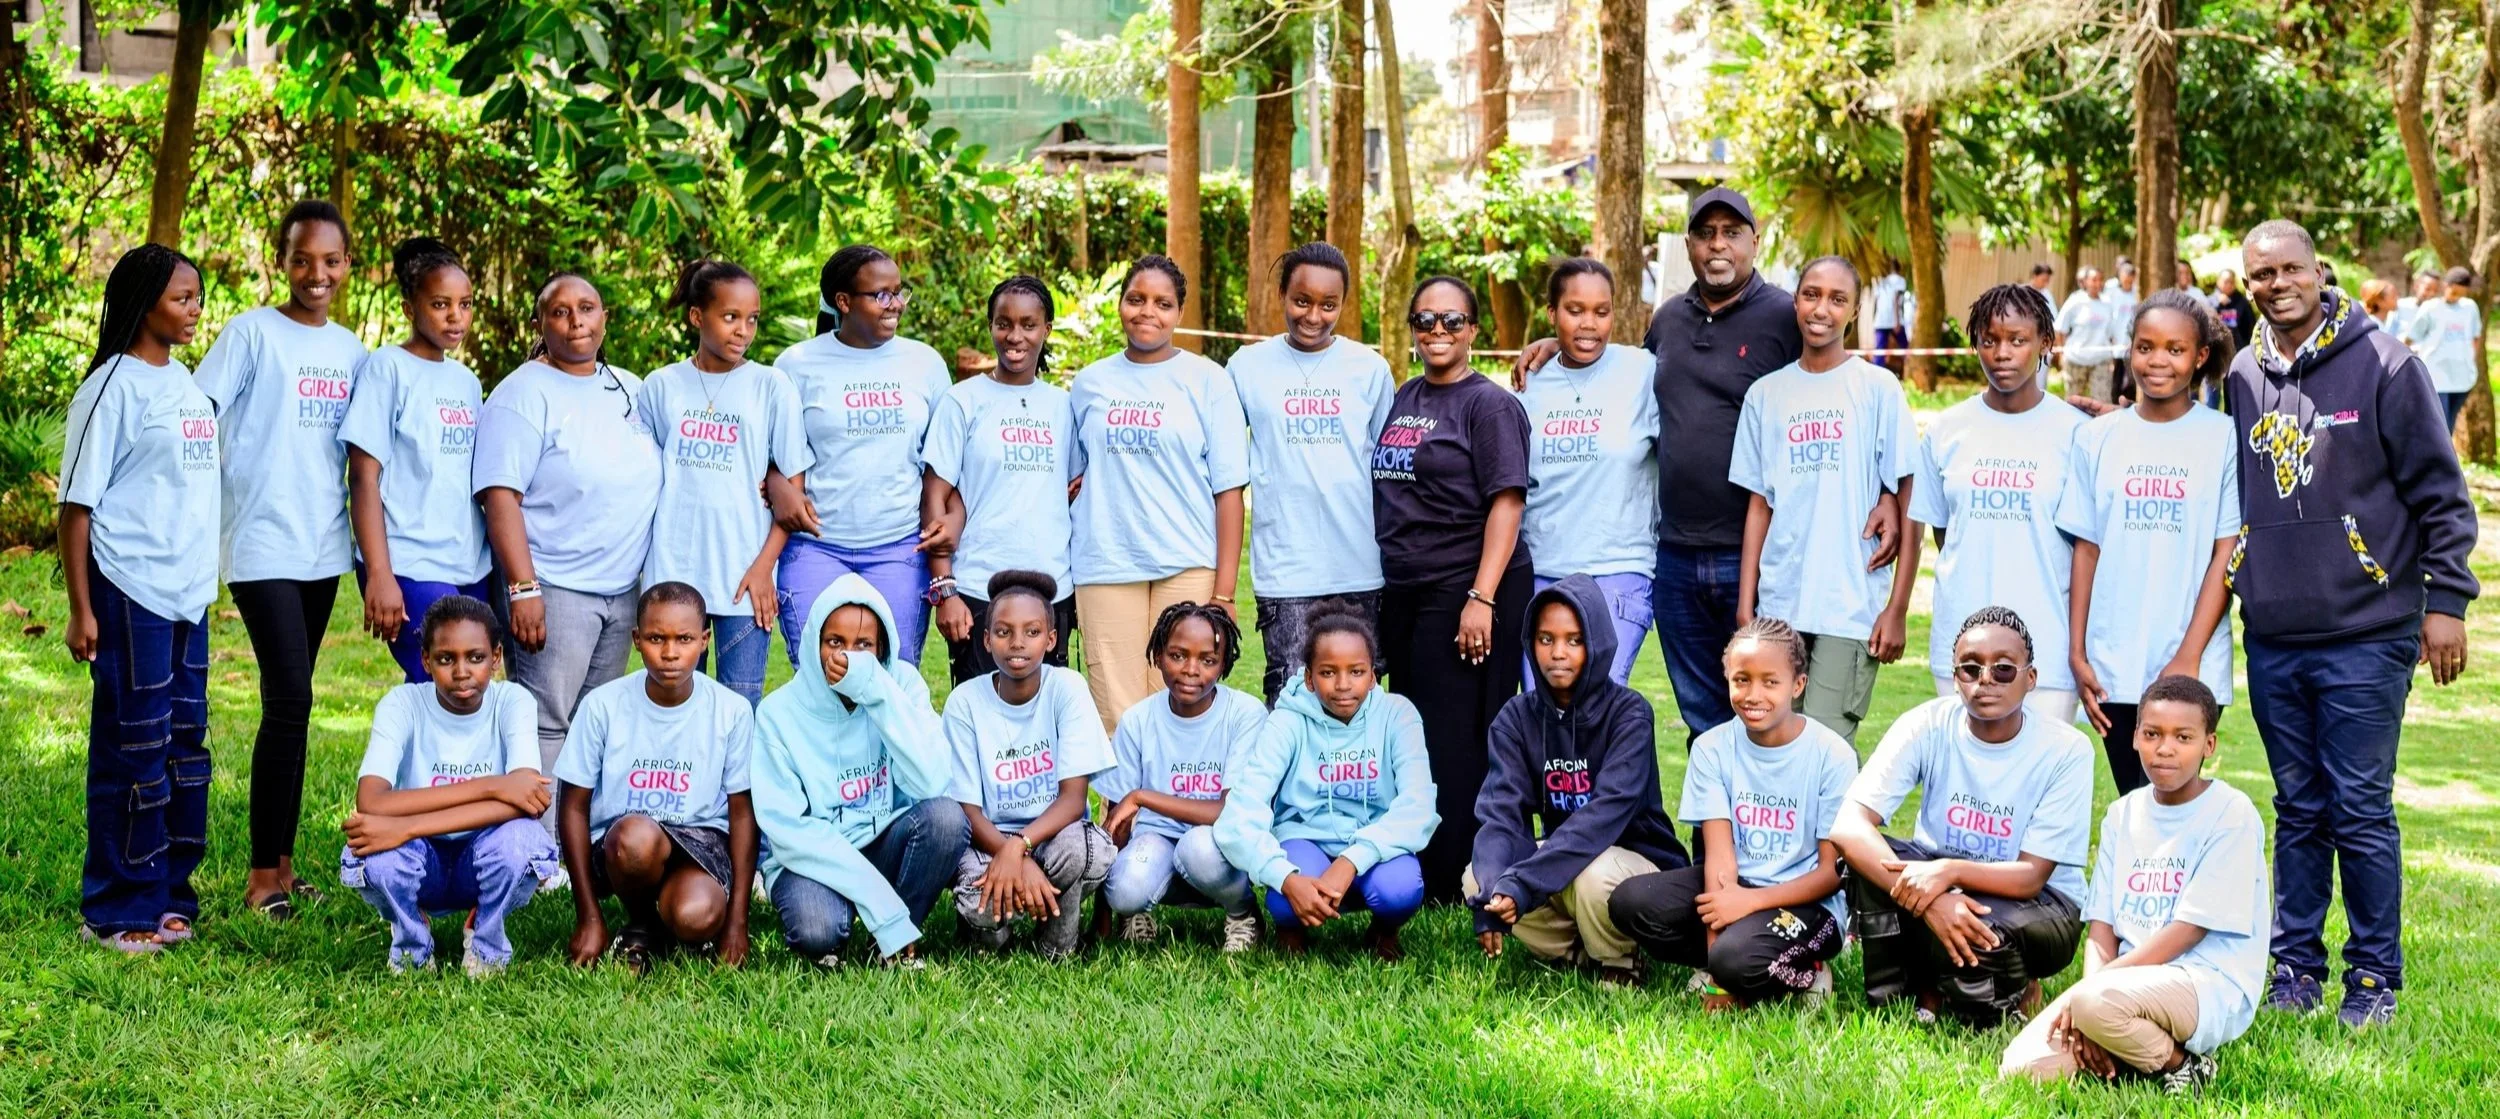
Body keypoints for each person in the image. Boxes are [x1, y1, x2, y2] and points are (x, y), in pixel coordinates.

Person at [1512, 187, 1900, 746]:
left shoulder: (1787, 317)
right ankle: (1712, 835)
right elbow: (1614, 374)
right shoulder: (1668, 320)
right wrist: (1555, 344)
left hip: (1759, 557)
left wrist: (1886, 489)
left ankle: (1771, 831)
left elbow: (1842, 394)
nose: (1719, 246)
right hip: (1673, 557)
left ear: (1754, 243)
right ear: (1689, 244)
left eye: (1732, 233)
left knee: (1766, 712)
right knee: (1704, 720)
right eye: (1706, 233)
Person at [2231, 220, 2476, 1027]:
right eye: (2260, 273)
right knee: (2298, 805)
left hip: (2369, 630)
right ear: (2248, 282)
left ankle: (2374, 979)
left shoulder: (2387, 364)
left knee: (2360, 806)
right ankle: (2295, 967)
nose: (2276, 283)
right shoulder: (2241, 373)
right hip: (2273, 631)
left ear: (2318, 269)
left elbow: (2443, 497)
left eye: (2289, 268)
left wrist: (2447, 603)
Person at [193, 199, 367, 918]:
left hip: (323, 546)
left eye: (330, 261)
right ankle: (262, 874)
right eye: (302, 259)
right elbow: (195, 418)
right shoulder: (250, 334)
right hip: (261, 541)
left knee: (293, 704)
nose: (315, 273)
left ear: (348, 265)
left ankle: (285, 867)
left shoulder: (354, 350)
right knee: (290, 697)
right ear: (281, 260)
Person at [1999, 675, 2269, 1098]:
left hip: (2205, 983)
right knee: (2023, 1068)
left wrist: (2089, 997)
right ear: (2135, 739)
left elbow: (2188, 932)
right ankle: (2126, 1040)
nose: (2165, 748)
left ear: (2208, 746)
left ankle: (2184, 1065)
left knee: (2093, 1004)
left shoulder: (2230, 813)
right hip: (2120, 987)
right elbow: (2102, 929)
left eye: (2183, 737)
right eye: (2152, 734)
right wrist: (2092, 999)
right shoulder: (2122, 814)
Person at [1831, 607, 2094, 1027]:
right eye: (1970, 669)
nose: (1985, 679)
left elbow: (2031, 875)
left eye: (2004, 669)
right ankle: (1900, 993)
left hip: (2039, 904)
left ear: (2031, 678)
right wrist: (1936, 900)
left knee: (1984, 937)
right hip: (1940, 882)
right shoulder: (1927, 724)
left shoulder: (2066, 750)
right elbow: (1848, 824)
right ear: (1955, 678)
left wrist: (1946, 873)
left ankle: (2007, 996)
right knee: (1864, 859)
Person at [58, 244, 214, 953]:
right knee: (134, 745)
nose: (194, 309)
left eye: (198, 297)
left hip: (188, 595)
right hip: (129, 589)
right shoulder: (110, 386)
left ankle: (170, 893)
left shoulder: (184, 385)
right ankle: (118, 906)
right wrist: (81, 607)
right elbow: (76, 507)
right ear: (142, 300)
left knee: (185, 746)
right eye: (182, 296)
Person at [1372, 275, 1533, 901]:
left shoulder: (1488, 405)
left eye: (1452, 321)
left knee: (1460, 738)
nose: (1438, 332)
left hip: (1466, 590)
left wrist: (1482, 597)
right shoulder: (1407, 394)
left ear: (1473, 331)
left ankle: (1459, 875)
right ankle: (1427, 859)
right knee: (1418, 733)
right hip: (1409, 589)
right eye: (1425, 321)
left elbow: (1507, 505)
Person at [475, 273, 663, 795]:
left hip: (622, 587)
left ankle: (575, 841)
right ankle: (538, 845)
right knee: (546, 721)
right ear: (539, 324)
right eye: (560, 311)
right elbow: (499, 497)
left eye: (587, 308)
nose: (576, 320)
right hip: (553, 585)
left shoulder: (631, 387)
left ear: (605, 318)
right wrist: (524, 587)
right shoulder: (522, 393)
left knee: (592, 721)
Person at [1608, 617, 1854, 1006]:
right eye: (1741, 680)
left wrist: (1749, 904)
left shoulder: (1832, 755)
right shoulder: (1711, 748)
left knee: (1736, 961)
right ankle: (1727, 964)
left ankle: (1810, 973)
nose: (1753, 694)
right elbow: (1720, 861)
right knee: (1632, 903)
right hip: (1737, 889)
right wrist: (1718, 974)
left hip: (1808, 905)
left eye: (1770, 682)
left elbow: (1829, 875)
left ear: (1798, 685)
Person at [1731, 256, 1920, 744]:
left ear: (1855, 311)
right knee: (1771, 739)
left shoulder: (1877, 388)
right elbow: (1760, 504)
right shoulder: (1766, 395)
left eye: (1838, 299)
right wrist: (1746, 601)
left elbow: (1908, 501)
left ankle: (1840, 826)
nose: (1822, 308)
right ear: (1795, 301)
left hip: (1848, 606)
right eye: (1812, 294)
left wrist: (1897, 607)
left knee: (1825, 746)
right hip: (1781, 604)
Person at [2060, 292, 2240, 793]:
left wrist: (2188, 656)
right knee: (2133, 798)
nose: (2157, 360)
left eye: (2174, 349)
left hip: (2191, 657)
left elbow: (2226, 554)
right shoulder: (2096, 439)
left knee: (2173, 797)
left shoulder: (2223, 438)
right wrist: (2078, 653)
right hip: (2110, 662)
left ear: (2199, 357)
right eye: (2145, 347)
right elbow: (2086, 548)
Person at [1467, 577, 1687, 984]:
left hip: (1632, 864)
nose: (1558, 653)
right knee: (1478, 874)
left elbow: (1603, 818)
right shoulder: (1516, 719)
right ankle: (1578, 952)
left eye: (1573, 640)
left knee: (1593, 872)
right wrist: (1495, 891)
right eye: (1546, 639)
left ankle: (1621, 961)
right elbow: (1501, 815)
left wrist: (1525, 881)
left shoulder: (1629, 714)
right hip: (1569, 859)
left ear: (1597, 643)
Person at [1068, 255, 1250, 730]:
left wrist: (1225, 593)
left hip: (1187, 561)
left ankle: (1173, 805)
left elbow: (1229, 491)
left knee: (1180, 702)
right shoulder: (1090, 383)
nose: (1147, 311)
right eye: (1136, 299)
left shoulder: (1210, 380)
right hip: (1107, 561)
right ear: (1120, 305)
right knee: (1116, 711)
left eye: (1162, 303)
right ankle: (1120, 806)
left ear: (1179, 312)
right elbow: (1073, 473)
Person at [752, 574, 966, 968]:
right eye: (835, 642)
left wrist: (876, 690)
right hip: (811, 857)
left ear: (881, 647)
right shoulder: (778, 713)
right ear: (814, 642)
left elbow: (932, 780)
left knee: (947, 820)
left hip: (881, 839)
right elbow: (787, 828)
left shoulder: (902, 685)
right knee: (818, 931)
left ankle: (889, 940)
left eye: (863, 645)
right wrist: (880, 904)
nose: (848, 657)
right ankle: (880, 922)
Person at [337, 596, 556, 975]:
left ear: (497, 657)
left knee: (525, 841)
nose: (461, 672)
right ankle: (412, 943)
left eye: (476, 657)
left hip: (482, 853)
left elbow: (528, 802)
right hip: (423, 860)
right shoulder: (402, 704)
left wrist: (406, 824)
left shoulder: (513, 701)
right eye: (445, 659)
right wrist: (496, 786)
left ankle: (486, 940)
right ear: (425, 661)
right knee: (373, 855)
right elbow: (371, 801)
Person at [766, 244, 955, 670]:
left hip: (899, 547)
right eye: (881, 295)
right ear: (844, 302)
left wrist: (950, 522)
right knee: (818, 677)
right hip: (816, 548)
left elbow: (944, 464)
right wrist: (778, 484)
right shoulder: (796, 365)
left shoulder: (924, 363)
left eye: (898, 292)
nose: (895, 305)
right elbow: (777, 454)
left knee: (895, 674)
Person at [552, 582, 758, 972]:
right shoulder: (603, 706)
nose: (669, 653)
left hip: (700, 840)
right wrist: (589, 917)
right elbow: (573, 808)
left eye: (684, 639)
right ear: (636, 640)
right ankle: (639, 924)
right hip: (624, 845)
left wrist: (737, 922)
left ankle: (665, 925)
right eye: (655, 638)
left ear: (705, 641)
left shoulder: (731, 711)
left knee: (696, 917)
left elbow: (743, 815)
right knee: (637, 838)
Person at [637, 260, 812, 707]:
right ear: (697, 317)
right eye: (730, 317)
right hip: (673, 572)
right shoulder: (661, 386)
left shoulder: (771, 387)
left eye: (752, 319)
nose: (743, 331)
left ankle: (736, 783)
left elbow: (792, 493)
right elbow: (647, 476)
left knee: (739, 706)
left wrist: (763, 568)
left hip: (744, 578)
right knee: (672, 702)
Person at [1217, 611, 1437, 960]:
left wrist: (1350, 860)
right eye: (1328, 672)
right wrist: (1286, 878)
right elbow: (1238, 817)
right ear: (1308, 678)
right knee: (1284, 899)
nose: (1343, 684)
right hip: (1305, 839)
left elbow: (1419, 807)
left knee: (1400, 889)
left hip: (1374, 839)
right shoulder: (1287, 721)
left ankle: (1383, 931)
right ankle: (1291, 930)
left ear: (1374, 676)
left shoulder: (1398, 714)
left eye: (1357, 671)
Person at [1228, 243, 1395, 703]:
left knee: (1357, 703)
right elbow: (1215, 452)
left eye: (1329, 305)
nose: (1314, 316)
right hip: (1286, 571)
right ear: (1281, 294)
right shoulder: (1247, 368)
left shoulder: (1370, 369)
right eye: (1301, 301)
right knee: (1290, 700)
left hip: (1360, 567)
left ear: (1344, 302)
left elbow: (1389, 467)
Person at [1912, 284, 2085, 724]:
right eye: (1989, 340)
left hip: (2046, 651)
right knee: (1964, 786)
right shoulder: (1946, 430)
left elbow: (2089, 548)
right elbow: (1944, 531)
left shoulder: (2077, 433)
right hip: (1963, 646)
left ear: (2045, 343)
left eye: (2017, 340)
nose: (2002, 353)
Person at [341, 238, 492, 685]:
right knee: (448, 682)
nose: (455, 316)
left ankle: (414, 758)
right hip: (408, 562)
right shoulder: (387, 368)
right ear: (410, 309)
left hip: (469, 563)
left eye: (465, 304)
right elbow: (363, 478)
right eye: (440, 304)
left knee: (452, 692)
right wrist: (380, 575)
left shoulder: (466, 381)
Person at [944, 570, 1115, 959]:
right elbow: (967, 809)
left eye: (1032, 632)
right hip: (988, 840)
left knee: (1089, 849)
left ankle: (1058, 944)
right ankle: (992, 940)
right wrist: (1009, 854)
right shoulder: (964, 702)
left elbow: (1074, 799)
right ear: (986, 640)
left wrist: (1019, 848)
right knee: (978, 904)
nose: (1017, 643)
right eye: (1003, 632)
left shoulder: (1067, 688)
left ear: (1051, 639)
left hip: (1051, 837)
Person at [923, 276, 1079, 685]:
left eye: (1029, 325)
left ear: (1046, 329)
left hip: (1052, 588)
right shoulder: (963, 401)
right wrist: (945, 590)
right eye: (1003, 323)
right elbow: (935, 497)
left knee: (1045, 724)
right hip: (978, 587)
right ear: (990, 325)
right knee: (981, 717)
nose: (1015, 336)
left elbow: (1073, 493)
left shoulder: (1063, 407)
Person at [1519, 259, 1658, 685]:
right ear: (1552, 314)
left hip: (1619, 570)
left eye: (1602, 311)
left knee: (1597, 706)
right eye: (1574, 310)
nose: (1589, 324)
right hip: (1543, 571)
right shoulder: (1527, 386)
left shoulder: (1643, 371)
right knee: (1539, 714)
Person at [1098, 602, 1266, 949]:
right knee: (1127, 889)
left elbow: (1226, 812)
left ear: (1224, 664)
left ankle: (1242, 912)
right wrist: (1102, 915)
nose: (1191, 669)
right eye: (1177, 655)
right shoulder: (1138, 720)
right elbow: (1118, 822)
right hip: (1156, 841)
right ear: (1158, 655)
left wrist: (1143, 796)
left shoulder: (1245, 714)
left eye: (1208, 660)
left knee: (1197, 848)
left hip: (1218, 847)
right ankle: (1137, 911)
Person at [2400, 265, 2480, 433]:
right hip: (2437, 376)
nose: (2456, 297)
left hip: (2462, 377)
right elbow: (2410, 338)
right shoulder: (2430, 308)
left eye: (2461, 294)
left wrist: (2471, 359)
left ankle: (2445, 458)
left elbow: (2475, 337)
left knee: (2449, 425)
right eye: (2453, 291)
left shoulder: (2470, 307)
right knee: (2440, 426)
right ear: (2445, 285)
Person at [2054, 266, 2122, 402]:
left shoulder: (2107, 303)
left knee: (2102, 400)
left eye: (2100, 280)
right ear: (2085, 282)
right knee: (2073, 402)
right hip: (2076, 359)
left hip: (2100, 360)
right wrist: (2062, 355)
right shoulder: (2075, 301)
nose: (2097, 283)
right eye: (2093, 280)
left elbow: (2112, 334)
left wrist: (2113, 359)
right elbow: (2060, 329)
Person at [1870, 264, 1908, 370]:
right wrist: (1896, 321)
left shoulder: (1881, 282)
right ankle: (1910, 369)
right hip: (1893, 320)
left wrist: (1874, 320)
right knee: (1905, 347)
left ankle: (1876, 374)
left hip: (1880, 320)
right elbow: (1896, 300)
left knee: (1879, 350)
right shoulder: (1900, 281)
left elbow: (1876, 302)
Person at [2212, 270, 2257, 352]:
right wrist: (2218, 304)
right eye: (2226, 282)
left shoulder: (2242, 302)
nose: (2229, 285)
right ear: (2218, 282)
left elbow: (2251, 325)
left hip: (2240, 348)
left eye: (2231, 282)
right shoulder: (2211, 301)